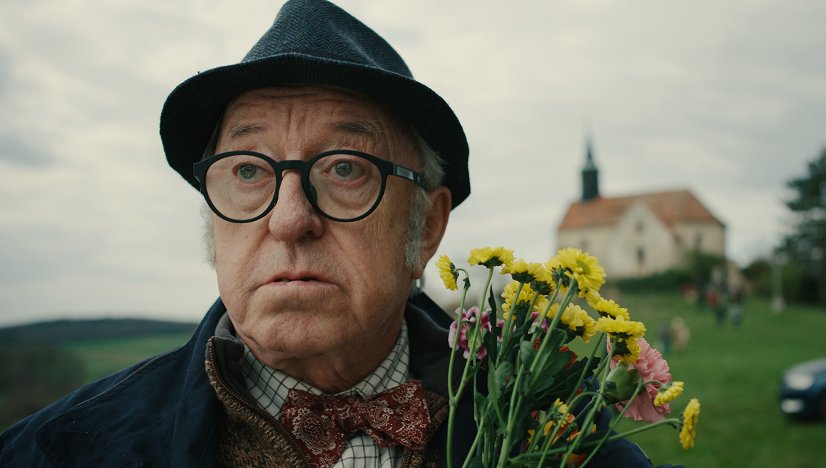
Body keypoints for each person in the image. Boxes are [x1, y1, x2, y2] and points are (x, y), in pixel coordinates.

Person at [0, 1, 657, 466]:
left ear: (426, 226)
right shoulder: (55, 451)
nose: (289, 219)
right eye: (249, 170)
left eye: (345, 168)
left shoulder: (566, 444)